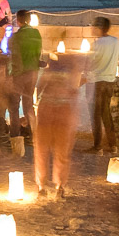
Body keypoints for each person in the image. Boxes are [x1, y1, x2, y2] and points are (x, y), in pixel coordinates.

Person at [33, 54, 83, 198]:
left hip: (48, 109)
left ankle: (42, 186)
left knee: (42, 149)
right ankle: (58, 185)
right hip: (61, 110)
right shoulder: (72, 71)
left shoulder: (49, 72)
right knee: (61, 149)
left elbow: (39, 88)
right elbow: (74, 92)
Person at [7, 9, 42, 140]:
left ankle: (15, 136)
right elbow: (38, 53)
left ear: (18, 20)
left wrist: (12, 75)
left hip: (19, 74)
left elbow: (14, 56)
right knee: (28, 105)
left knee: (14, 105)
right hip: (33, 72)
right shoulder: (37, 33)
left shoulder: (16, 37)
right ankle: (34, 135)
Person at [88, 16, 119, 155]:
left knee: (95, 115)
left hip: (98, 81)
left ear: (99, 28)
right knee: (106, 113)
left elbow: (92, 63)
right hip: (110, 81)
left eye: (93, 26)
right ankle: (113, 145)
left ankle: (98, 146)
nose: (91, 29)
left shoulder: (97, 44)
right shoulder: (115, 41)